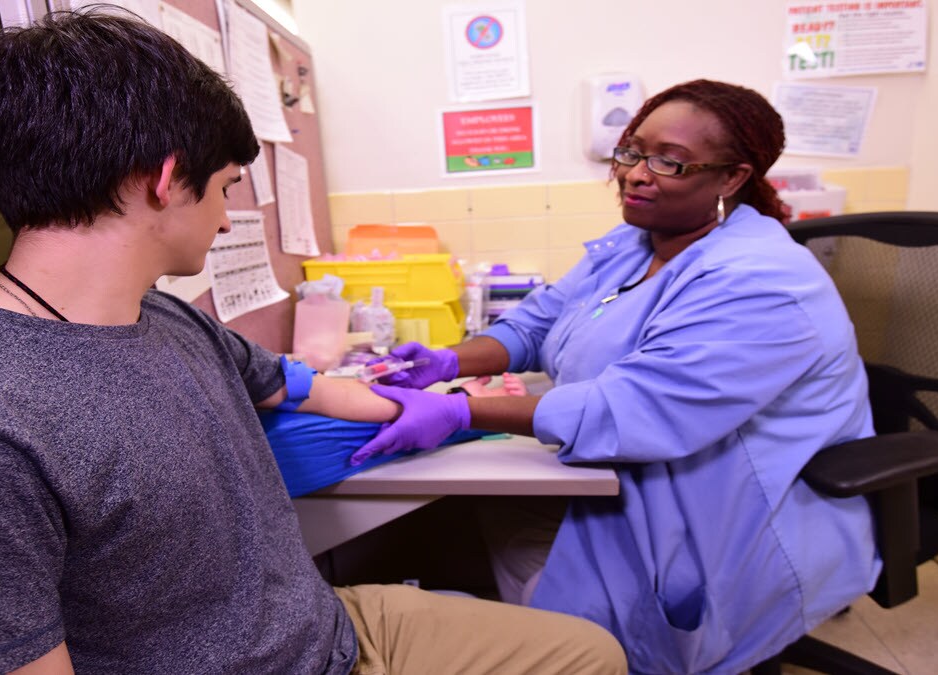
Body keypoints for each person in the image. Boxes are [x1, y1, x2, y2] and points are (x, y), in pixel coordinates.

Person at [0, 9, 628, 674]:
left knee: (592, 654)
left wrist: (435, 400)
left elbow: (304, 384)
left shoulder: (167, 318)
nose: (225, 220)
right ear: (162, 178)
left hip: (328, 634)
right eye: (223, 191)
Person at [354, 80, 881, 674]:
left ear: (731, 178)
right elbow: (539, 322)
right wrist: (449, 361)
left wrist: (459, 411)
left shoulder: (762, 280)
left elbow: (633, 411)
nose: (636, 174)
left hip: (734, 511)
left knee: (561, 632)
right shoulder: (637, 245)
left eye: (669, 162)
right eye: (631, 152)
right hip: (632, 473)